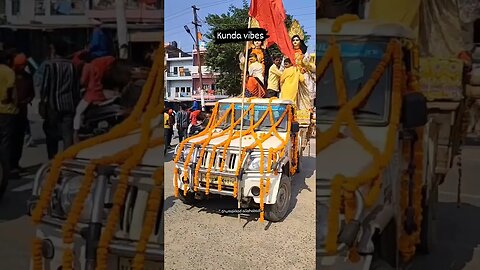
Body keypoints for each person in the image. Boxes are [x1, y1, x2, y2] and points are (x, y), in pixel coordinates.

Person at [34, 40, 81, 159]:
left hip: (53, 105)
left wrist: (42, 102)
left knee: (51, 134)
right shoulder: (73, 66)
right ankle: (67, 161)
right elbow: (76, 87)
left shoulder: (50, 65)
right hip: (69, 105)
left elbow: (45, 86)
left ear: (54, 50)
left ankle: (53, 160)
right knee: (67, 134)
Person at [73, 55, 116, 143]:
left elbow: (83, 81)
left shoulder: (86, 67)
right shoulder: (95, 66)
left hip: (91, 94)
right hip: (99, 92)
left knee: (78, 111)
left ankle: (75, 132)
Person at [10, 53, 35, 175]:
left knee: (19, 140)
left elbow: (32, 93)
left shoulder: (28, 77)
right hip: (10, 113)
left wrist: (27, 100)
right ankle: (9, 166)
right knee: (10, 141)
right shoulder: (10, 75)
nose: (23, 67)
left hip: (22, 112)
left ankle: (15, 164)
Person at [0, 50, 17, 180]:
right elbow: (10, 88)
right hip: (7, 110)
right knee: (6, 142)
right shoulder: (9, 71)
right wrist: (8, 98)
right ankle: (6, 170)